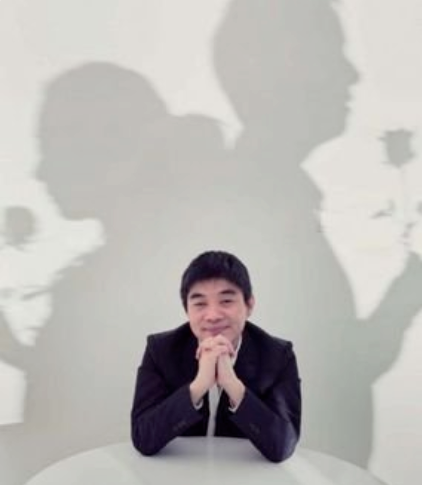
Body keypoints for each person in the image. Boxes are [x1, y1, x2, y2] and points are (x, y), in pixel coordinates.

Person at [131, 250, 301, 463]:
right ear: (187, 310)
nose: (212, 316)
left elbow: (282, 446)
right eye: (200, 304)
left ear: (249, 305)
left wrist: (232, 384)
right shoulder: (160, 350)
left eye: (226, 301)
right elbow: (143, 438)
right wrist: (198, 386)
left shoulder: (278, 356)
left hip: (245, 475)